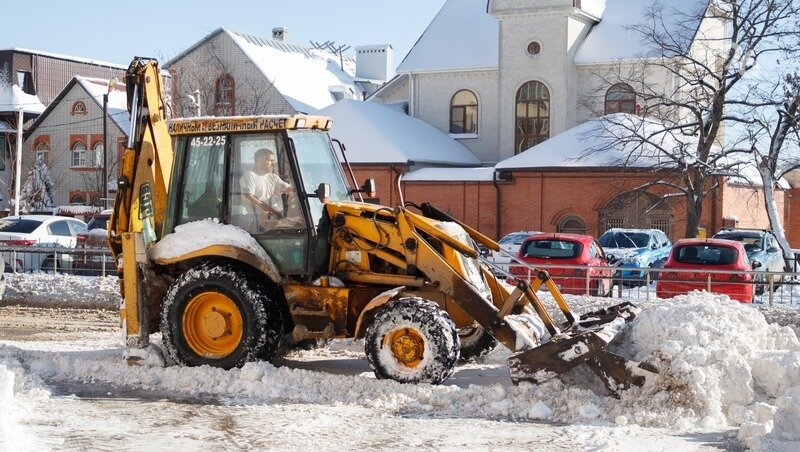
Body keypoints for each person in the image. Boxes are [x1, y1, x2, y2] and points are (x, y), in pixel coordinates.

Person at [240, 148, 292, 227]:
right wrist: (268, 210)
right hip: (256, 219)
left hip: (272, 215)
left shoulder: (272, 177)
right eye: (270, 161)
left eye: (273, 161)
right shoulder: (250, 176)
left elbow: (288, 188)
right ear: (259, 161)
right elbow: (248, 197)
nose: (273, 164)